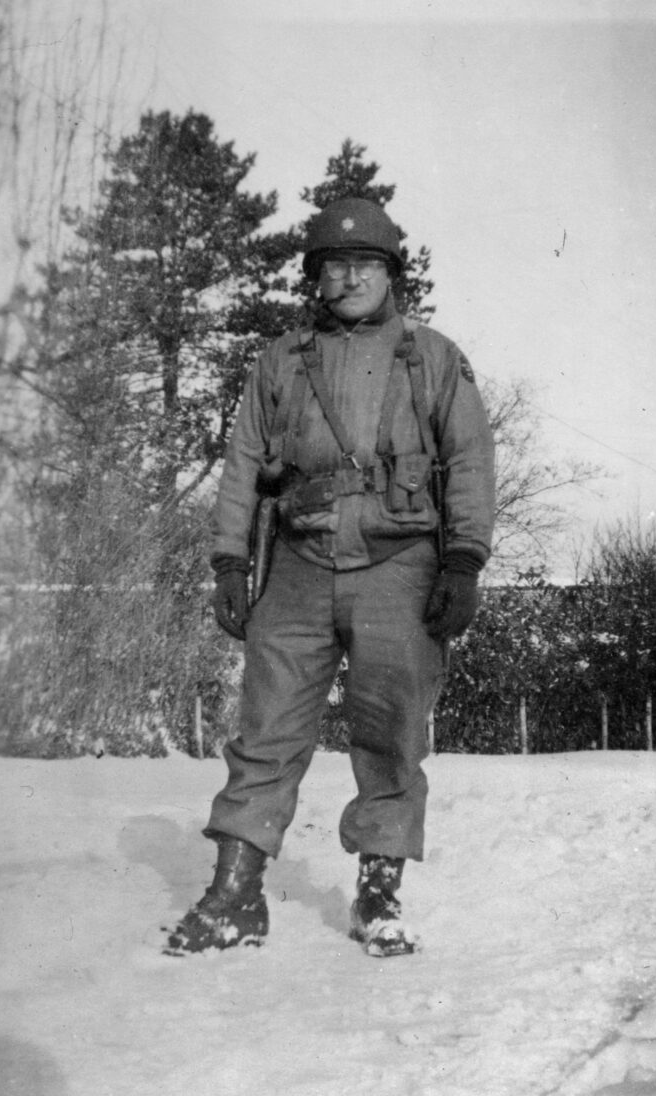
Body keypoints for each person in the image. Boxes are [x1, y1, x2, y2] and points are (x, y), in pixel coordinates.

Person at [165, 198, 495, 958]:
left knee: (390, 733)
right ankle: (235, 892)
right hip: (299, 565)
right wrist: (228, 560)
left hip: (400, 568)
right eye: (332, 266)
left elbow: (472, 459)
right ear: (313, 277)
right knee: (266, 730)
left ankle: (379, 894)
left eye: (365, 265)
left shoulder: (434, 357)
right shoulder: (280, 361)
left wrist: (465, 559)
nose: (348, 279)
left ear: (391, 275)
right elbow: (243, 464)